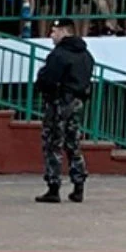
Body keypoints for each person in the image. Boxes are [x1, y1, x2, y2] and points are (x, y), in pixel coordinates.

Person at [34, 18, 91, 202]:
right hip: (77, 102)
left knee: (53, 143)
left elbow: (48, 78)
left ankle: (53, 187)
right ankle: (79, 186)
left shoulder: (59, 54)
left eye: (54, 31)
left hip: (58, 102)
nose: (51, 35)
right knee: (73, 144)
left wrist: (41, 84)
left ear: (64, 32)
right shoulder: (85, 55)